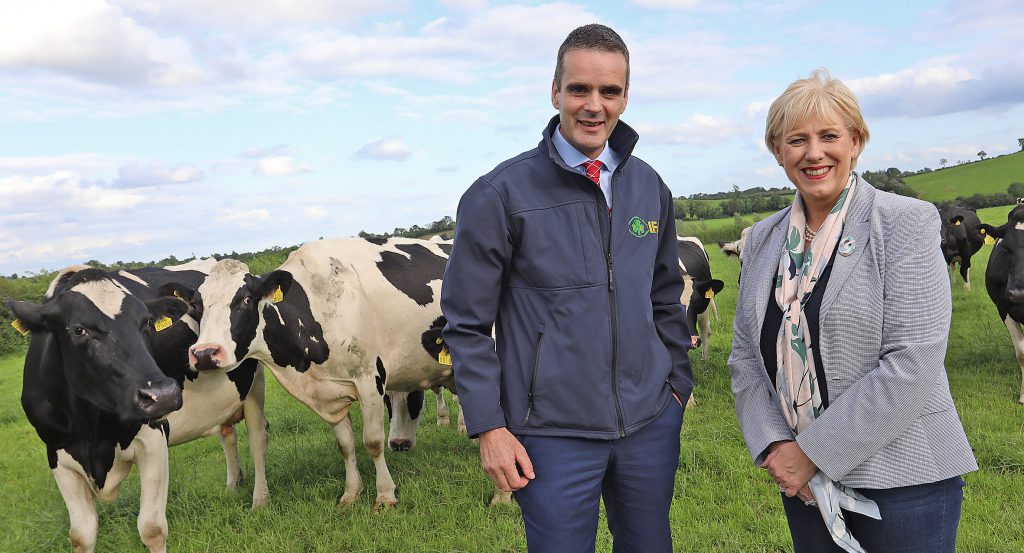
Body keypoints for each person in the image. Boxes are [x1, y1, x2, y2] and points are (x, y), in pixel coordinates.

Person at [440, 23, 692, 553]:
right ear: (555, 91)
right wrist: (489, 426)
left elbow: (665, 297)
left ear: (626, 96)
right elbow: (464, 324)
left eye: (610, 91)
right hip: (550, 434)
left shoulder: (649, 187)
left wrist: (675, 390)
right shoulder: (499, 195)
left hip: (648, 424)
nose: (594, 105)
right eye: (579, 89)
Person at [728, 69, 978, 553]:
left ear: (857, 141)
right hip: (804, 487)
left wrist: (813, 452)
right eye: (796, 140)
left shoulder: (903, 222)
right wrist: (777, 447)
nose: (813, 153)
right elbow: (743, 356)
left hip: (906, 481)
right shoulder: (762, 239)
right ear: (778, 151)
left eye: (829, 136)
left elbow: (913, 360)